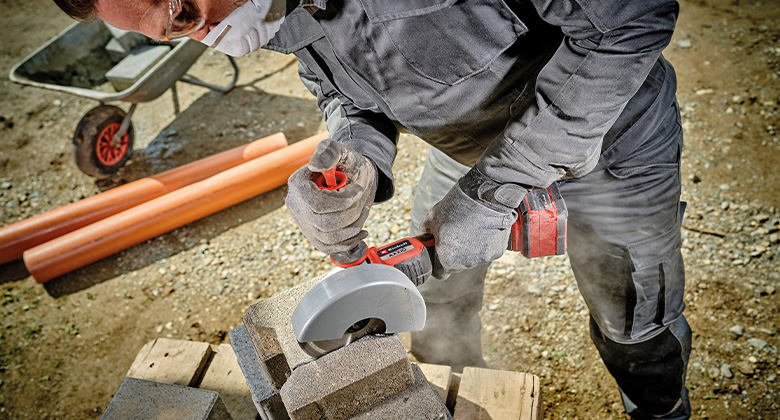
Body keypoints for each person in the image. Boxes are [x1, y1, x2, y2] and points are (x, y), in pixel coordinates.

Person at [54, 0, 692, 417]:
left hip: (613, 140)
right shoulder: (262, 9)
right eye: (170, 33)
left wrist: (501, 186)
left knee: (633, 325)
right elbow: (341, 86)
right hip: (470, 151)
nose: (203, 35)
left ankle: (659, 408)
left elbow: (630, 21)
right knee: (436, 297)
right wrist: (355, 151)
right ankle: (450, 395)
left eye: (182, 10)